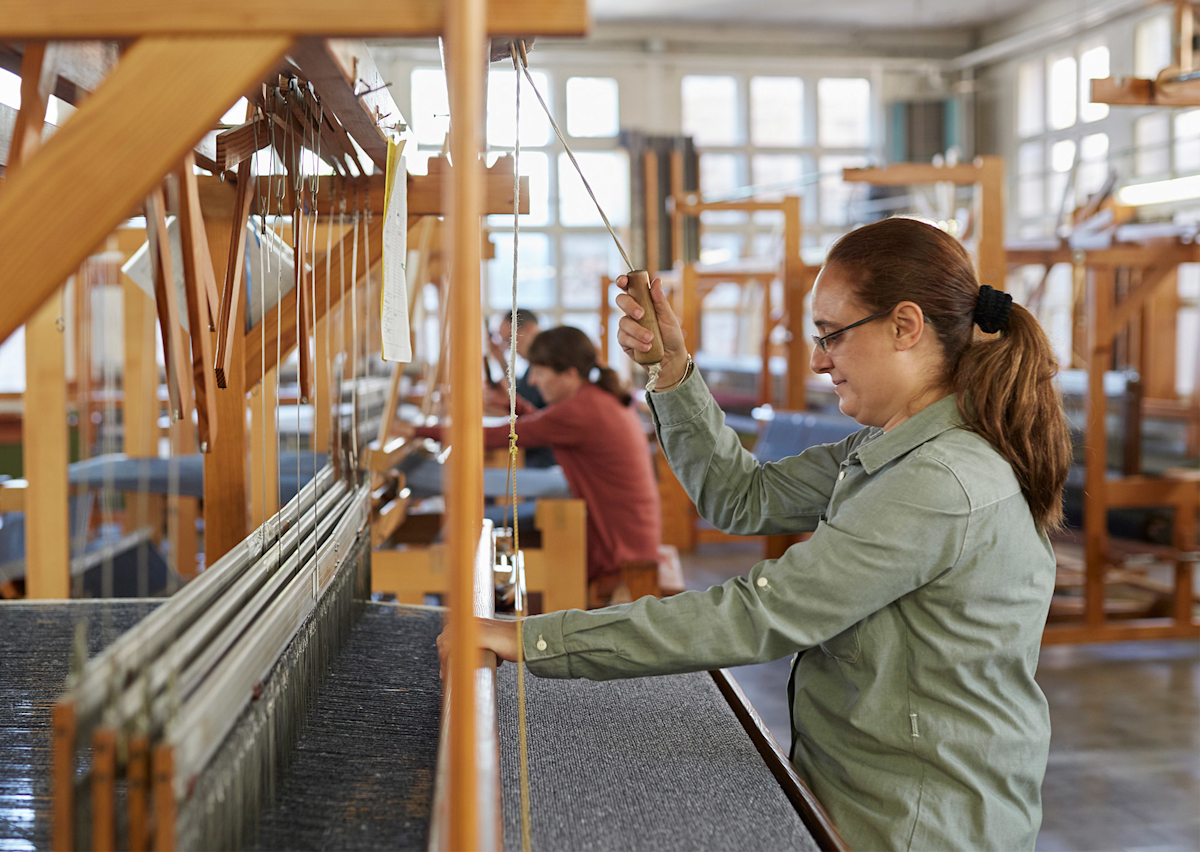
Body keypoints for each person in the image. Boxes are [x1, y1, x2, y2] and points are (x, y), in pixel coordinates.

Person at [450, 218, 1073, 852]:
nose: (819, 358)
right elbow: (740, 497)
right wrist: (670, 367)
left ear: (904, 327)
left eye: (832, 334)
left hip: (916, 824)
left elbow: (759, 616)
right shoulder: (890, 448)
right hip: (863, 793)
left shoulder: (939, 480)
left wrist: (535, 640)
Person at [412, 325, 660, 602]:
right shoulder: (594, 399)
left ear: (569, 375)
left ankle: (443, 605)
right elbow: (545, 423)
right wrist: (513, 404)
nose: (533, 382)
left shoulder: (581, 410)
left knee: (467, 523)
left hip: (618, 543)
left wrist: (415, 430)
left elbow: (499, 436)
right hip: (625, 530)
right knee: (477, 520)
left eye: (540, 372)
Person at [487, 308, 555, 467]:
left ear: (530, 329)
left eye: (509, 339)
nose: (509, 348)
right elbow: (520, 403)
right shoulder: (533, 369)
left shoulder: (549, 365)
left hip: (545, 456)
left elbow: (520, 405)